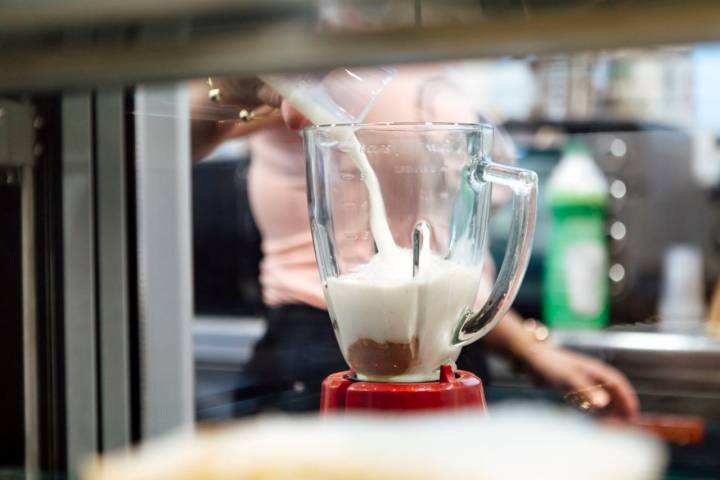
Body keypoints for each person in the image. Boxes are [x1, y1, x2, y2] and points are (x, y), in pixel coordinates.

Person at [191, 64, 639, 417]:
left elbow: (442, 264)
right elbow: (168, 137)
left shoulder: (441, 61)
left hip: (452, 353)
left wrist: (528, 347)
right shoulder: (317, 57)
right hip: (320, 350)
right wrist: (229, 88)